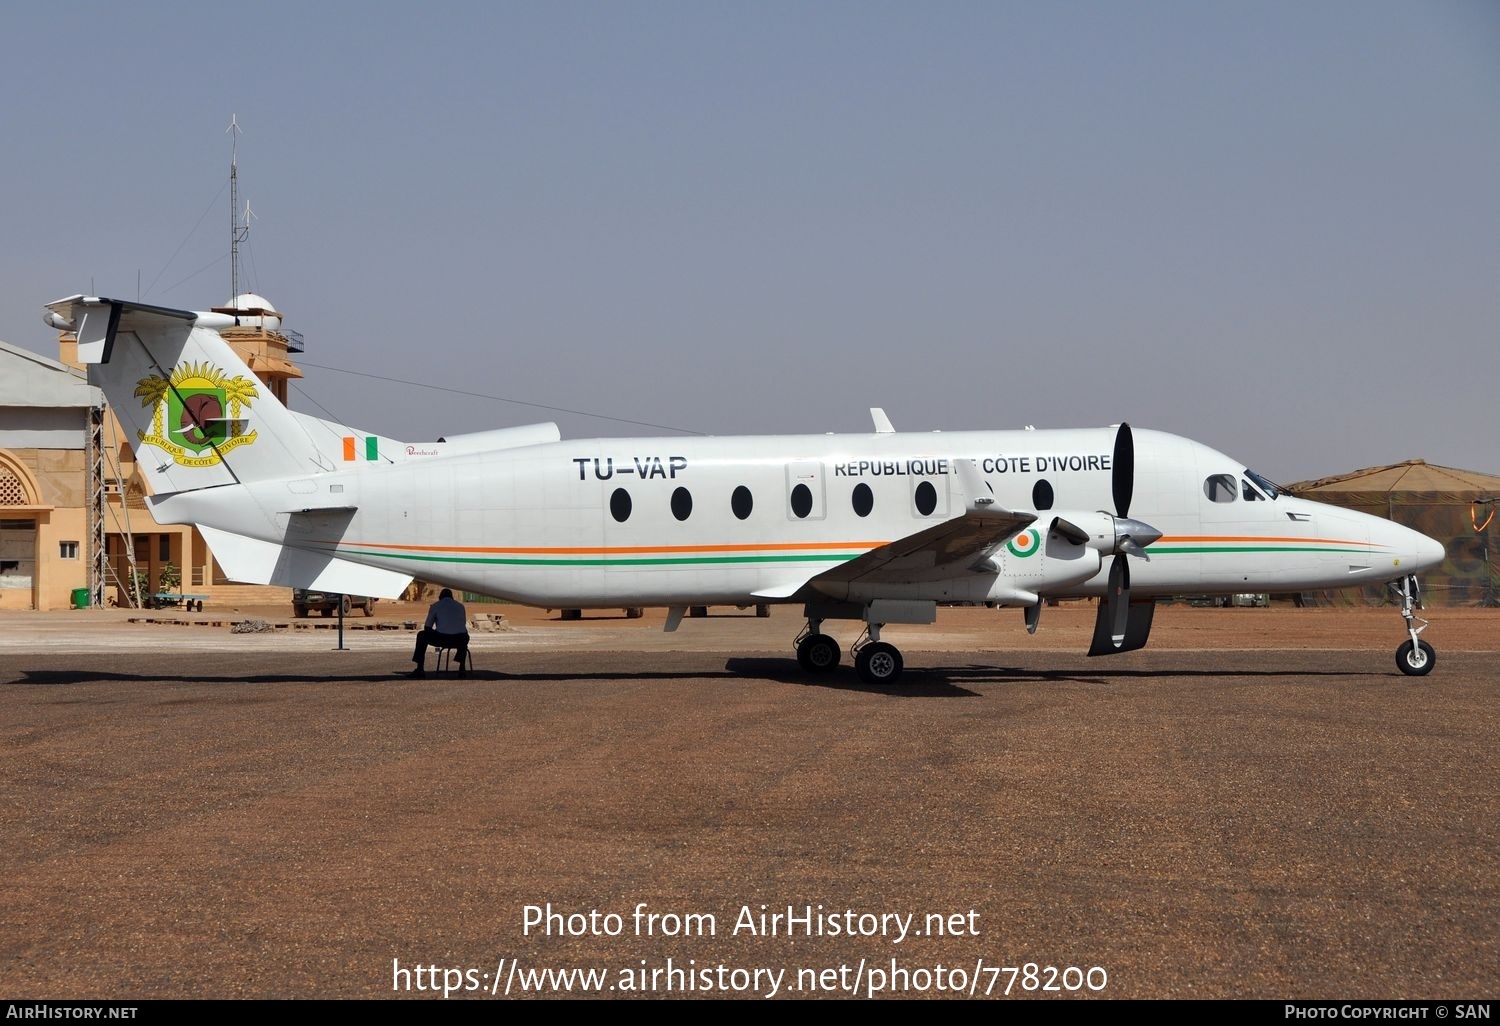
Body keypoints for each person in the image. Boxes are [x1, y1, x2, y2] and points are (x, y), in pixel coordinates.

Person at [408, 588, 469, 677]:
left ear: (440, 597)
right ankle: (462, 668)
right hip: (460, 640)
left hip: (442, 639)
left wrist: (436, 631)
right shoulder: (460, 606)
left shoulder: (436, 606)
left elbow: (427, 627)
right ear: (452, 597)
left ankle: (420, 668)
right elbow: (462, 624)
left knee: (421, 635)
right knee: (465, 636)